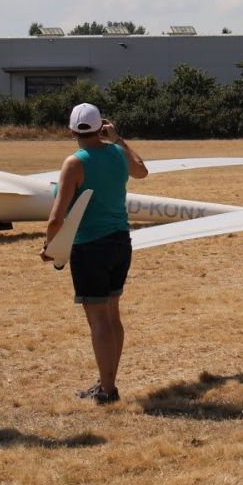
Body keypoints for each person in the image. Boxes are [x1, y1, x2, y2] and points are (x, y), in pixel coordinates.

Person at [42, 103, 147, 405]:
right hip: (120, 242)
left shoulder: (75, 163)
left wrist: (50, 247)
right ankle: (106, 381)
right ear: (101, 126)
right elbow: (141, 171)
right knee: (112, 315)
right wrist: (118, 139)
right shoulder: (117, 152)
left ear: (71, 131)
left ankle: (107, 390)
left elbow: (56, 217)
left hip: (90, 247)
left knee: (98, 320)